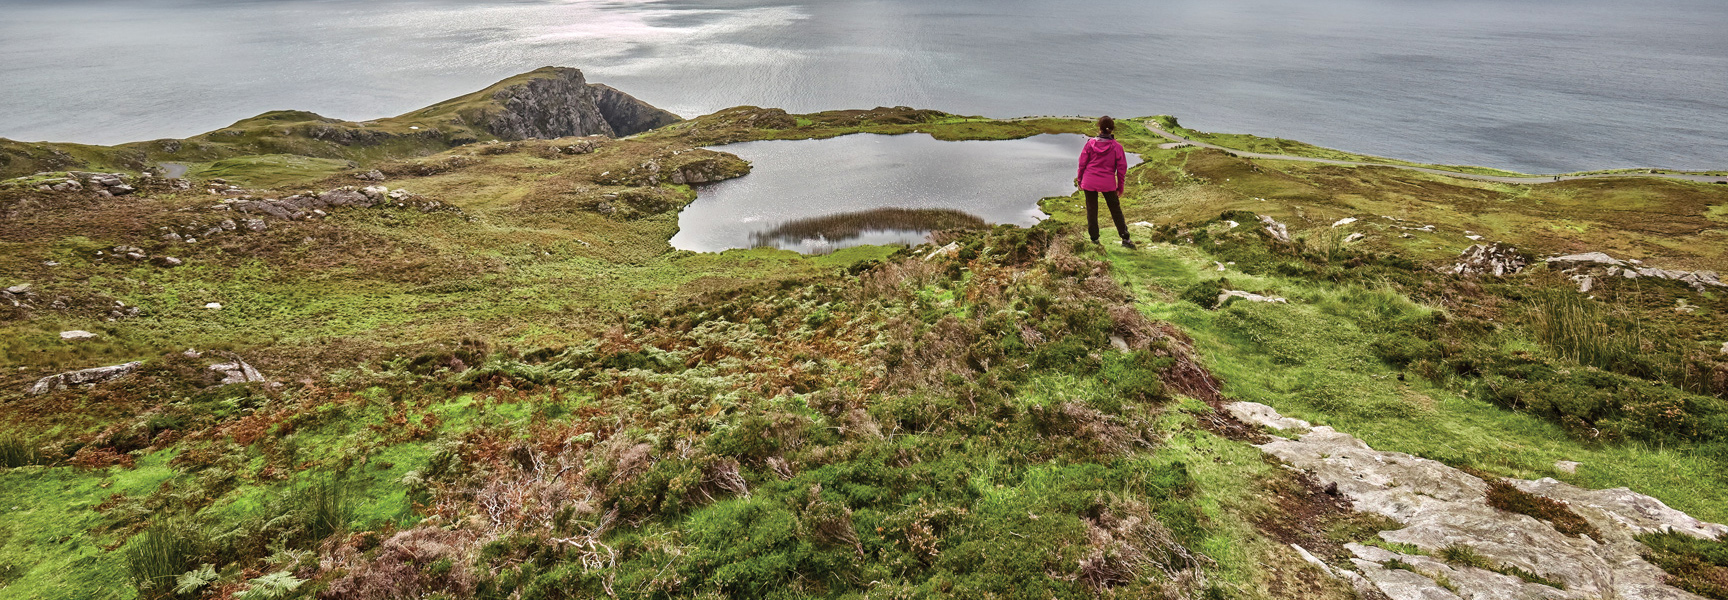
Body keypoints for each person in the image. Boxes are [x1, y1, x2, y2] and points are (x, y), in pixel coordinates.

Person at [1075, 116, 1135, 249]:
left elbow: (1082, 163)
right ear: (1112, 129)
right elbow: (1121, 169)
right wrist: (1120, 186)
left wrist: (1080, 179)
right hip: (1108, 183)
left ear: (1099, 128)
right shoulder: (1116, 147)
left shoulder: (1090, 144)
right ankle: (1125, 239)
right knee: (1115, 210)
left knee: (1092, 210)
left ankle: (1095, 240)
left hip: (1089, 181)